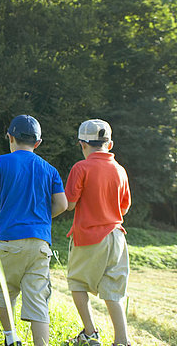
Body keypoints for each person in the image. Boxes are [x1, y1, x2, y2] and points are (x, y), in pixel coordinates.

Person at [0, 114, 68, 346]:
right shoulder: (50, 169)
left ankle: (11, 339)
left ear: (10, 137)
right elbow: (62, 204)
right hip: (40, 243)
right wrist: (40, 218)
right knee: (37, 299)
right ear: (38, 143)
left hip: (9, 241)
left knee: (2, 289)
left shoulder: (1, 162)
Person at [64, 119, 131, 346]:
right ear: (109, 144)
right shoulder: (120, 170)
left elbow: (70, 204)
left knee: (77, 282)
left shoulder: (80, 168)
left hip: (89, 236)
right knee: (113, 290)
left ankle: (90, 334)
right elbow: (124, 207)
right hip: (117, 236)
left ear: (82, 144)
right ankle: (122, 340)